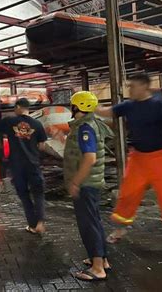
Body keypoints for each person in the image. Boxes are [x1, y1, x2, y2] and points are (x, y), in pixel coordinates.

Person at [95, 73, 162, 262]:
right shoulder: (129, 105)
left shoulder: (161, 106)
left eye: (133, 86)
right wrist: (92, 106)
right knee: (128, 194)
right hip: (138, 159)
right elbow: (108, 112)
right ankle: (120, 229)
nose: (129, 89)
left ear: (144, 86)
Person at [64, 91, 113, 281]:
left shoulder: (85, 128)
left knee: (88, 224)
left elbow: (90, 158)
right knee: (95, 220)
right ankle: (102, 259)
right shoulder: (91, 124)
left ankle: (98, 268)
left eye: (72, 105)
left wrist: (76, 181)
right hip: (91, 182)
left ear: (77, 107)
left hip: (86, 184)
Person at [0, 98, 47, 234]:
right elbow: (42, 146)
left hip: (17, 165)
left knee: (24, 196)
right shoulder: (37, 124)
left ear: (18, 107)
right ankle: (41, 222)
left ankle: (32, 225)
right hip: (33, 164)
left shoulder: (10, 121)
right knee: (38, 193)